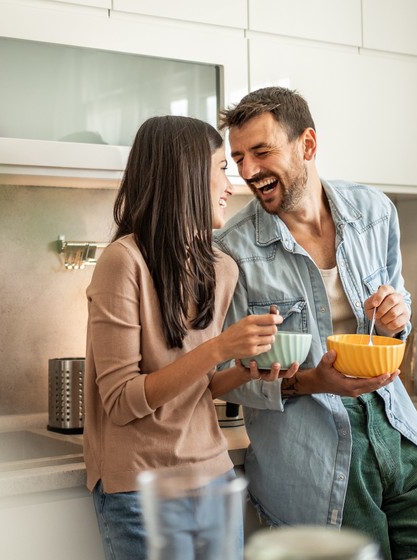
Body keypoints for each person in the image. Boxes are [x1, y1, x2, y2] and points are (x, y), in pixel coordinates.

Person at [213, 87, 417, 560]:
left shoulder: (375, 213)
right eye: (238, 158)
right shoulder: (234, 251)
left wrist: (397, 318)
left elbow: (394, 327)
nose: (248, 171)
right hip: (314, 456)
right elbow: (228, 379)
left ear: (308, 145)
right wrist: (318, 381)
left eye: (261, 152)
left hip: (397, 427)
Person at [83, 115, 296, 560]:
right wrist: (220, 347)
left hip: (213, 475)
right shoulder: (123, 263)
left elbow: (199, 386)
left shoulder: (221, 268)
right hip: (141, 489)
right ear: (183, 175)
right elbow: (122, 401)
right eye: (221, 167)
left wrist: (243, 369)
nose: (231, 185)